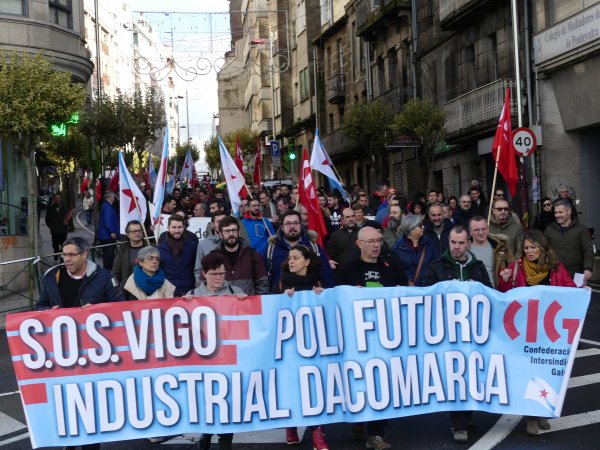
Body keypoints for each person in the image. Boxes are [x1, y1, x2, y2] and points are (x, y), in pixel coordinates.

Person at [35, 237, 122, 450]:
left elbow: (119, 306)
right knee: (68, 402)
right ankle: (70, 442)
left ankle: (92, 444)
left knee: (92, 403)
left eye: (71, 255)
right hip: (63, 352)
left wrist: (98, 311)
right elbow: (40, 306)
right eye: (64, 254)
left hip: (94, 352)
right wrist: (47, 313)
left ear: (84, 254)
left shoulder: (103, 277)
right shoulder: (51, 276)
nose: (66, 259)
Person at [497, 229, 576, 436]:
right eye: (526, 248)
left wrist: (581, 292)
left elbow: (570, 289)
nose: (529, 251)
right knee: (529, 373)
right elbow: (504, 297)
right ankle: (532, 416)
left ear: (542, 248)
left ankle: (541, 412)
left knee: (545, 373)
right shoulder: (516, 267)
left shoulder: (555, 267)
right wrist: (504, 280)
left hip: (549, 332)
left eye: (533, 247)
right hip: (525, 331)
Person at [336, 226, 407, 449]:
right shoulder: (347, 270)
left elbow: (404, 293)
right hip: (356, 338)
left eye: (379, 240)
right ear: (359, 244)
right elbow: (334, 299)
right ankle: (358, 419)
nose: (377, 245)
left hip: (383, 337)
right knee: (358, 382)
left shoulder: (389, 267)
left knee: (380, 382)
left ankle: (376, 434)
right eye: (371, 241)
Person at [423, 225, 491, 444]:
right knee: (455, 376)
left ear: (468, 243)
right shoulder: (436, 266)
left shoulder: (478, 267)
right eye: (453, 242)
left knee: (472, 374)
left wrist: (478, 288)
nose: (457, 247)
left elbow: (490, 294)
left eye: (461, 243)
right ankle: (458, 423)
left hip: (474, 332)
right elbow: (425, 295)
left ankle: (467, 414)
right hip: (448, 334)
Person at [271, 245, 329, 450]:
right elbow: (269, 312)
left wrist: (323, 296)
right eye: (290, 258)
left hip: (313, 346)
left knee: (315, 389)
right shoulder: (280, 283)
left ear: (307, 261)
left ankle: (317, 433)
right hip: (289, 346)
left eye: (296, 258)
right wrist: (282, 300)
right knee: (291, 387)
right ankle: (291, 426)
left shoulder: (318, 283)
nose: (291, 261)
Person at [189, 253, 247, 450]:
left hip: (228, 358)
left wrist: (246, 303)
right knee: (209, 402)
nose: (219, 277)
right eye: (214, 274)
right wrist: (183, 304)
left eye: (222, 273)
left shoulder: (235, 291)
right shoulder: (193, 295)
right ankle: (206, 434)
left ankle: (225, 441)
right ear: (204, 274)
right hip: (204, 361)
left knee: (228, 401)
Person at [265, 210, 334, 290]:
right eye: (288, 223)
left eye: (296, 223)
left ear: (300, 225)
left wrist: (327, 292)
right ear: (282, 227)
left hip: (310, 294)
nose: (292, 226)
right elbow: (265, 278)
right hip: (282, 295)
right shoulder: (271, 249)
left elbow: (326, 274)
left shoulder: (313, 247)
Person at [208, 216, 270, 295]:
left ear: (239, 232)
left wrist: (255, 300)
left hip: (248, 301)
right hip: (223, 302)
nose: (231, 234)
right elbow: (205, 284)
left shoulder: (252, 254)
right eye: (227, 231)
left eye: (234, 230)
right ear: (220, 234)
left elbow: (262, 283)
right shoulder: (213, 257)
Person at [544, 198, 594, 284]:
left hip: (577, 275)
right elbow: (544, 250)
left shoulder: (581, 229)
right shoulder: (549, 230)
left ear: (569, 211)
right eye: (555, 212)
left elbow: (588, 250)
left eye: (560, 212)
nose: (557, 215)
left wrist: (588, 268)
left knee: (577, 293)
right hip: (555, 274)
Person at [392, 215, 439, 286]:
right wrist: (405, 282)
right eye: (420, 225)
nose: (423, 227)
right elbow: (394, 271)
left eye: (423, 224)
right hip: (407, 289)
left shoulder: (430, 243)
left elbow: (436, 265)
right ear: (411, 229)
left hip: (428, 287)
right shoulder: (397, 248)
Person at [468, 215, 514, 288]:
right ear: (470, 232)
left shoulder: (501, 247)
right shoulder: (465, 249)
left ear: (488, 229)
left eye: (483, 229)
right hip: (472, 292)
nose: (481, 232)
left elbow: (513, 267)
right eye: (477, 230)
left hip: (495, 292)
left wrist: (506, 276)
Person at [158, 214, 197, 296]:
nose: (177, 230)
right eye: (174, 227)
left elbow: (197, 268)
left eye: (180, 227)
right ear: (168, 228)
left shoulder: (193, 246)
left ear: (184, 227)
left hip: (188, 292)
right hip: (167, 292)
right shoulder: (160, 248)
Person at [112, 219, 148, 285]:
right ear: (128, 234)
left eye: (139, 230)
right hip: (128, 287)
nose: (137, 233)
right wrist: (115, 287)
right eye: (134, 231)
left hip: (148, 285)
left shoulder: (151, 248)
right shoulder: (123, 249)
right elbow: (116, 271)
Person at [45, 193, 72, 260]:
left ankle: (62, 257)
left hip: (63, 230)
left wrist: (67, 223)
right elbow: (47, 220)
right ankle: (56, 252)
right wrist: (52, 227)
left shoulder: (65, 207)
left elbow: (69, 217)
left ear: (60, 199)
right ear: (54, 199)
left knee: (63, 244)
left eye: (58, 198)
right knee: (55, 244)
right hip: (55, 230)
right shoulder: (50, 208)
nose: (57, 199)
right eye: (55, 198)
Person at [97, 190, 120, 271]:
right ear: (110, 197)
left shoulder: (106, 205)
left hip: (106, 235)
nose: (114, 198)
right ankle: (107, 271)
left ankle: (109, 270)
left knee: (109, 254)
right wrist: (112, 231)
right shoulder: (107, 207)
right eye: (114, 196)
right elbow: (108, 220)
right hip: (107, 236)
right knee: (108, 255)